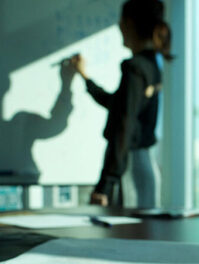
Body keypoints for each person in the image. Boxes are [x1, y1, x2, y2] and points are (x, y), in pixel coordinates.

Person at [70, 0, 172, 208]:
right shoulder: (151, 66)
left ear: (132, 24)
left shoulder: (135, 69)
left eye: (122, 21)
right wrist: (85, 77)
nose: (118, 26)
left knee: (130, 235)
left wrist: (105, 185)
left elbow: (123, 126)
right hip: (142, 165)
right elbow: (118, 106)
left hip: (129, 170)